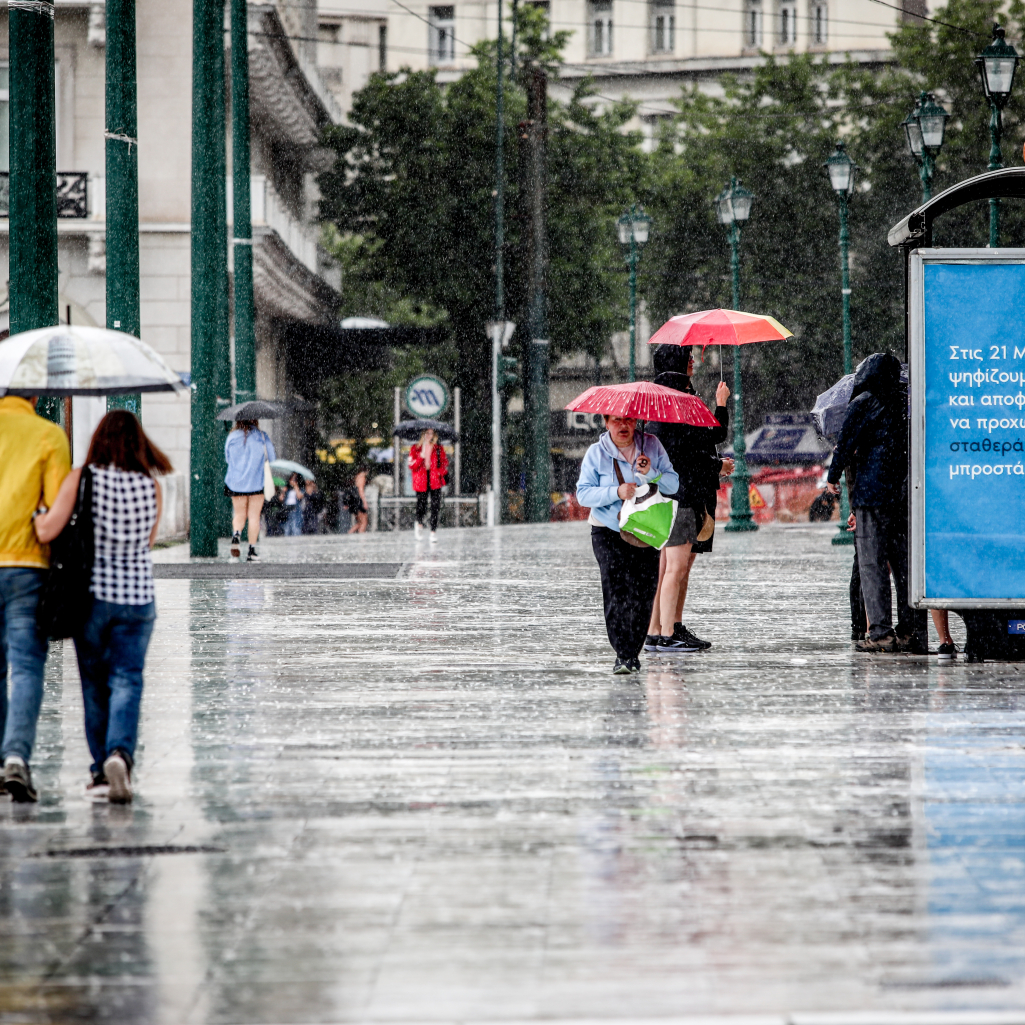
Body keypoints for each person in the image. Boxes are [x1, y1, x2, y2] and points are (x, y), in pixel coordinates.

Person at [34, 411, 171, 804]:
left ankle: (98, 774)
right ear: (138, 443)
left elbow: (48, 529)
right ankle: (120, 755)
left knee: (94, 687)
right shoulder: (150, 486)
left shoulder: (82, 479)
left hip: (92, 597)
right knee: (128, 679)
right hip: (139, 599)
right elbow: (147, 543)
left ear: (98, 440)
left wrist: (37, 513)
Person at [827, 352, 927, 654]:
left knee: (872, 565)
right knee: (904, 567)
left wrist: (833, 476)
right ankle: (911, 631)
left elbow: (845, 443)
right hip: (903, 495)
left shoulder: (863, 402)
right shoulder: (905, 403)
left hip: (871, 496)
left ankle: (880, 632)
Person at [0, 394, 71, 802]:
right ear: (34, 395)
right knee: (26, 666)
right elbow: (56, 507)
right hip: (27, 564)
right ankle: (15, 757)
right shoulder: (47, 435)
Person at [643, 345, 734, 653]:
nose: (693, 361)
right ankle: (668, 633)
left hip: (665, 495)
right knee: (676, 568)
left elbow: (687, 447)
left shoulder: (658, 403)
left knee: (668, 567)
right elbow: (707, 440)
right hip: (682, 496)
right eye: (688, 357)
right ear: (679, 364)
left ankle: (659, 629)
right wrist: (721, 405)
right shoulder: (680, 402)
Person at [577, 415, 679, 675]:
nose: (623, 426)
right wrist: (616, 492)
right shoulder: (596, 453)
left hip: (644, 529)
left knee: (643, 591)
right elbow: (583, 494)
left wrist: (651, 473)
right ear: (606, 422)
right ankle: (624, 653)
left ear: (636, 422)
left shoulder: (652, 446)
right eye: (616, 420)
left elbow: (673, 483)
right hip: (607, 530)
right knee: (616, 589)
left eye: (629, 420)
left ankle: (633, 648)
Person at [224, 418, 275, 562]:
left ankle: (236, 536)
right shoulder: (261, 436)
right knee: (254, 517)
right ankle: (251, 551)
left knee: (239, 514)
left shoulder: (232, 437)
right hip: (256, 483)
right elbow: (271, 457)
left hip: (236, 483)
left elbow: (227, 458)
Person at [410, 429, 448, 544]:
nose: (428, 436)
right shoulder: (415, 448)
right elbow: (412, 465)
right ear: (423, 434)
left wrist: (438, 473)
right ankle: (419, 523)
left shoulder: (438, 448)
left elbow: (444, 463)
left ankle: (433, 532)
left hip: (434, 479)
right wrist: (421, 457)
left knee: (435, 505)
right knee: (421, 504)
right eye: (426, 433)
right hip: (421, 479)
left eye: (431, 433)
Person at [346, 467, 369, 534]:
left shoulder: (357, 477)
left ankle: (350, 533)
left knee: (359, 522)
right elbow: (360, 490)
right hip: (358, 501)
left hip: (355, 501)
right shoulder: (362, 477)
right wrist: (364, 502)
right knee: (364, 522)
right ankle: (361, 537)